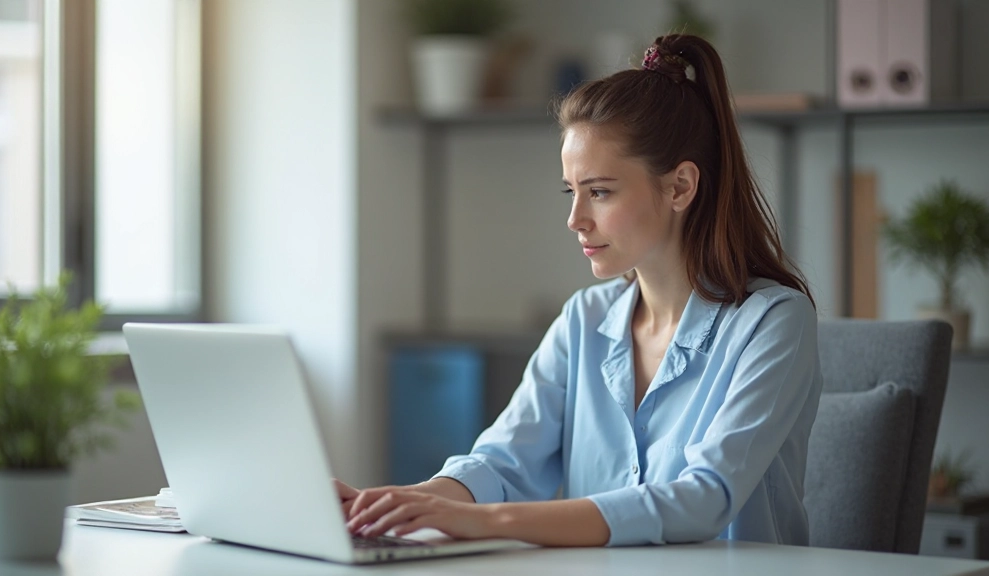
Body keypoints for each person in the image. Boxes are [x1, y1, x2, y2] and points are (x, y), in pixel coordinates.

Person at [336, 33, 823, 547]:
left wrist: (490, 523)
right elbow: (501, 462)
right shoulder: (584, 319)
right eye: (572, 192)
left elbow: (704, 499)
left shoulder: (773, 322)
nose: (575, 219)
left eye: (600, 192)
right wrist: (405, 504)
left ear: (680, 186)